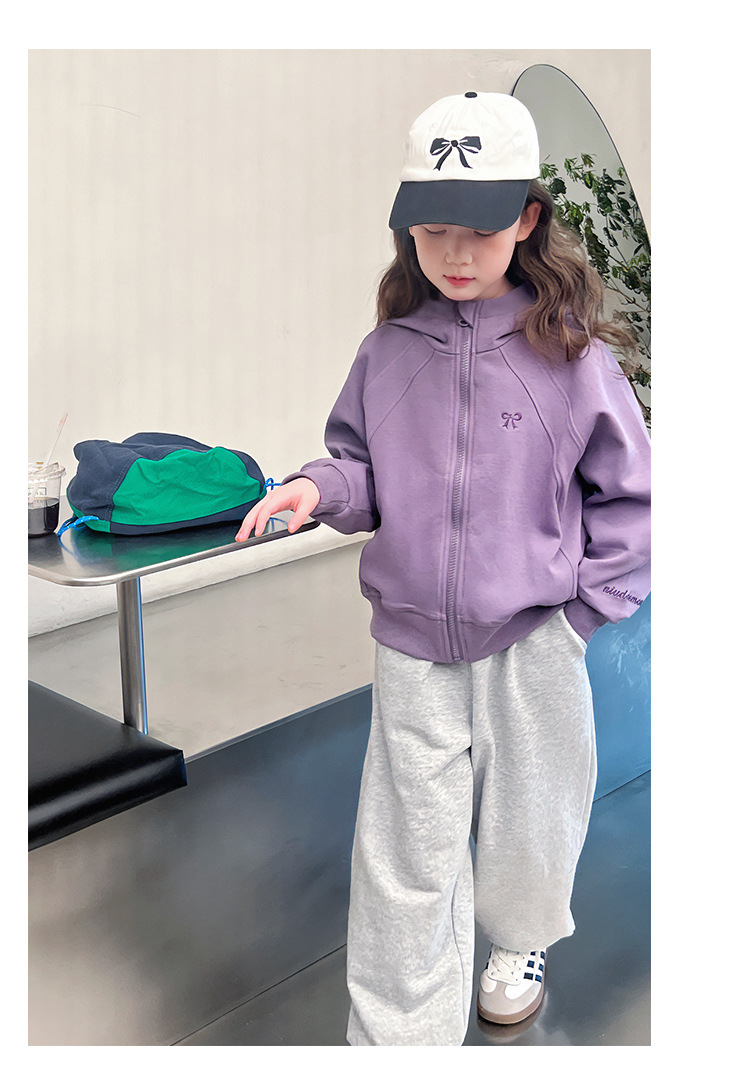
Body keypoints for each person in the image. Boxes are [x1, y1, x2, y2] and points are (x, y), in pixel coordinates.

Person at [235, 91, 651, 1046]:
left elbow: (634, 496)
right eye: (433, 231)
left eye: (480, 229)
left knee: (532, 821)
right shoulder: (387, 354)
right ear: (407, 230)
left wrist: (582, 614)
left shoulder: (572, 359)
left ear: (528, 221)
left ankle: (521, 943)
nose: (456, 254)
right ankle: (398, 1036)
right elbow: (361, 469)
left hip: (535, 643)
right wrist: (315, 487)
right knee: (404, 851)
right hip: (412, 645)